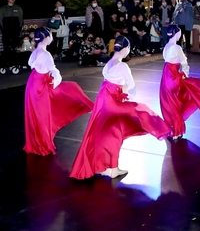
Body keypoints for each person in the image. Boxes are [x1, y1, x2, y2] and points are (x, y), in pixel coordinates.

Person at [70, 36, 171, 179]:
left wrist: (120, 95)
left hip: (103, 101)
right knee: (139, 111)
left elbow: (110, 84)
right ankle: (161, 129)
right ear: (125, 49)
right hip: (113, 104)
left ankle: (109, 167)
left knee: (108, 133)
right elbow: (132, 89)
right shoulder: (122, 66)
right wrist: (126, 98)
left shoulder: (109, 63)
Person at [24, 28, 94, 156]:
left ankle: (38, 142)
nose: (52, 36)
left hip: (34, 84)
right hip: (41, 86)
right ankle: (42, 144)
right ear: (46, 37)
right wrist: (55, 82)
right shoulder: (45, 54)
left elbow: (33, 65)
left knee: (37, 114)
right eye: (50, 34)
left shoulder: (36, 52)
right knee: (70, 90)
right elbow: (54, 71)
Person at [160, 25, 200, 140]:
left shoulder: (166, 47)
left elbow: (169, 62)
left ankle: (175, 130)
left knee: (172, 104)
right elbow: (184, 62)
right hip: (173, 78)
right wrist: (185, 74)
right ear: (177, 34)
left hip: (165, 78)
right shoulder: (177, 48)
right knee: (195, 84)